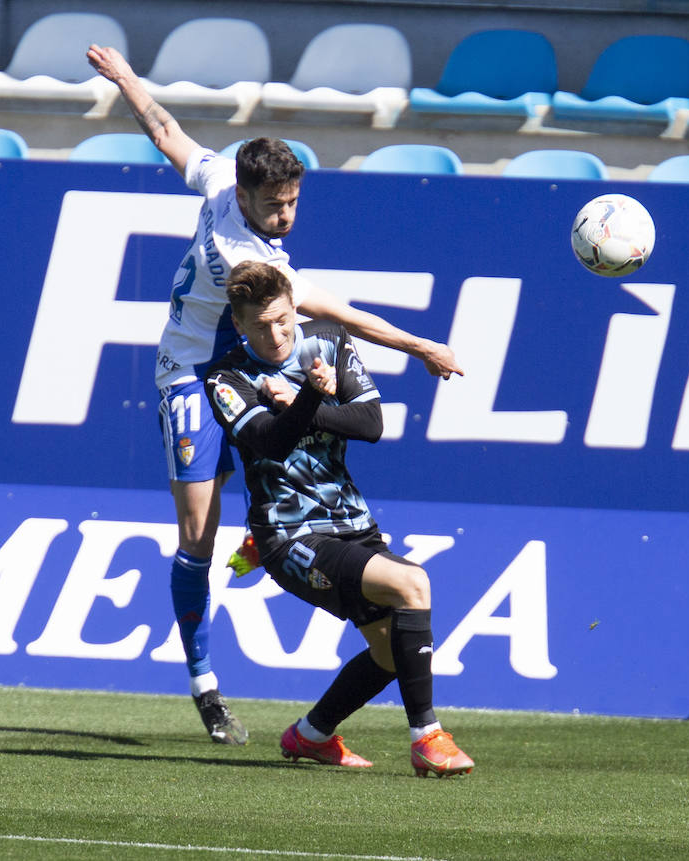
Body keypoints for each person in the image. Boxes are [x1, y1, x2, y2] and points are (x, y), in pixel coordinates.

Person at [85, 44, 464, 745]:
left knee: (301, 428)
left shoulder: (220, 180)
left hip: (243, 355)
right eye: (276, 203)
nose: (286, 212)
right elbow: (341, 313)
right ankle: (204, 682)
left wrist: (127, 78)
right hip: (191, 372)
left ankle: (268, 533)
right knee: (198, 532)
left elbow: (166, 132)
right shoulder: (253, 265)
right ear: (248, 194)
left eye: (293, 201)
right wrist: (419, 346)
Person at [205, 260, 474, 777]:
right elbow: (269, 441)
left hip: (352, 522)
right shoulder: (228, 377)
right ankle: (427, 739)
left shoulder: (326, 341)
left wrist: (310, 399)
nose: (276, 333)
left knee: (392, 651)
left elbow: (371, 423)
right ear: (239, 326)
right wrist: (310, 396)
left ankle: (310, 735)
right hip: (288, 537)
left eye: (283, 319)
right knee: (413, 584)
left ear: (294, 308)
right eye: (260, 326)